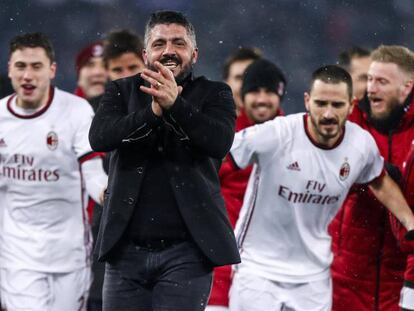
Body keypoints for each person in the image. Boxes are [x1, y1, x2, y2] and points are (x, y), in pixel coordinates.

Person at [227, 65, 414, 311]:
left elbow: (378, 180)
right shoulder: (277, 134)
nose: (327, 114)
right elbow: (218, 154)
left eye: (337, 105)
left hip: (313, 275)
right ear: (307, 101)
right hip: (258, 269)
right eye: (321, 103)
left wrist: (410, 222)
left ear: (351, 105)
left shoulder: (360, 145)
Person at [88, 10, 240, 311]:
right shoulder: (121, 90)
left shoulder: (215, 94)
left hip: (187, 254)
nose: (169, 51)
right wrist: (152, 115)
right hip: (125, 251)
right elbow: (100, 137)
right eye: (159, 44)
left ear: (194, 54)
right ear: (146, 53)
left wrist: (175, 105)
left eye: (178, 43)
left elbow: (219, 141)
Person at [0, 32, 107, 311]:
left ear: (52, 70)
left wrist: (107, 193)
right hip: (17, 255)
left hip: (69, 252)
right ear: (10, 68)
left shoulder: (76, 111)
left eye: (36, 66)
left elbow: (92, 171)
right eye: (21, 66)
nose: (27, 75)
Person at [330, 45, 414, 311]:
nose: (371, 88)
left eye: (381, 81)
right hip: (347, 277)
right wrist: (377, 175)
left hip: (401, 277)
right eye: (369, 80)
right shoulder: (348, 119)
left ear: (407, 87)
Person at [207, 58, 286, 311]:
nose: (262, 99)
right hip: (219, 266)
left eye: (269, 91)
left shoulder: (295, 140)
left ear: (281, 95)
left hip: (275, 270)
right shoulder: (218, 138)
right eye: (254, 90)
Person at [222, 47, 262, 114]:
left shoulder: (281, 123)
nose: (245, 84)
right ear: (226, 84)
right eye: (239, 78)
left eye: (251, 76)